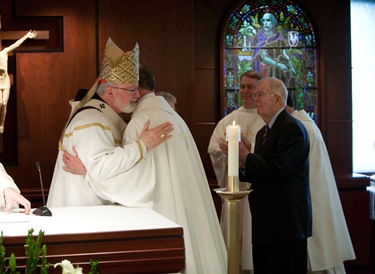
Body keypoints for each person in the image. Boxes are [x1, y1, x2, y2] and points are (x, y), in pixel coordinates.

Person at [63, 64, 227, 274]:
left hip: (164, 216)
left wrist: (88, 173)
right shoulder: (172, 114)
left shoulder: (142, 122)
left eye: (132, 90)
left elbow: (135, 184)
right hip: (188, 209)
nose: (132, 96)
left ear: (137, 89)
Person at [47, 38, 173, 207]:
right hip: (84, 213)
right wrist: (142, 145)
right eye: (131, 90)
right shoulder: (92, 121)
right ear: (110, 92)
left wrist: (87, 172)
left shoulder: (105, 118)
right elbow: (101, 170)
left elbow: (98, 171)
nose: (137, 95)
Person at [220, 77, 312, 273]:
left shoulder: (292, 129)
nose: (255, 99)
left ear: (278, 99)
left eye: (260, 94)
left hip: (286, 224)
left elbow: (280, 170)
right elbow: (260, 172)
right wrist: (242, 161)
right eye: (255, 95)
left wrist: (248, 157)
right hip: (265, 223)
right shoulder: (264, 131)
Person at [286, 95, 355, 273]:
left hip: (310, 198)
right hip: (315, 195)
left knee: (317, 256)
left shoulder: (298, 128)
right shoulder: (306, 124)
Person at [208, 71, 264, 272]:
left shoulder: (265, 119)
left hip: (257, 191)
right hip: (235, 189)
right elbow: (213, 149)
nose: (246, 91)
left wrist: (247, 155)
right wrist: (227, 155)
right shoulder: (228, 121)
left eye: (251, 87)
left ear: (260, 90)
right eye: (243, 86)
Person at [0, 30, 37, 134]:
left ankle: (2, 124)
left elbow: (16, 44)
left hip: (5, 83)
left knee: (4, 103)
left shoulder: (4, 53)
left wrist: (26, 36)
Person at [252, 12, 295, 87]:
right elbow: (263, 57)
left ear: (273, 23)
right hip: (265, 72)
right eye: (264, 20)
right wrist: (278, 64)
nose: (265, 23)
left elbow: (285, 55)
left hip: (279, 73)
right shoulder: (258, 38)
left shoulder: (280, 39)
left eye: (268, 20)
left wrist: (291, 67)